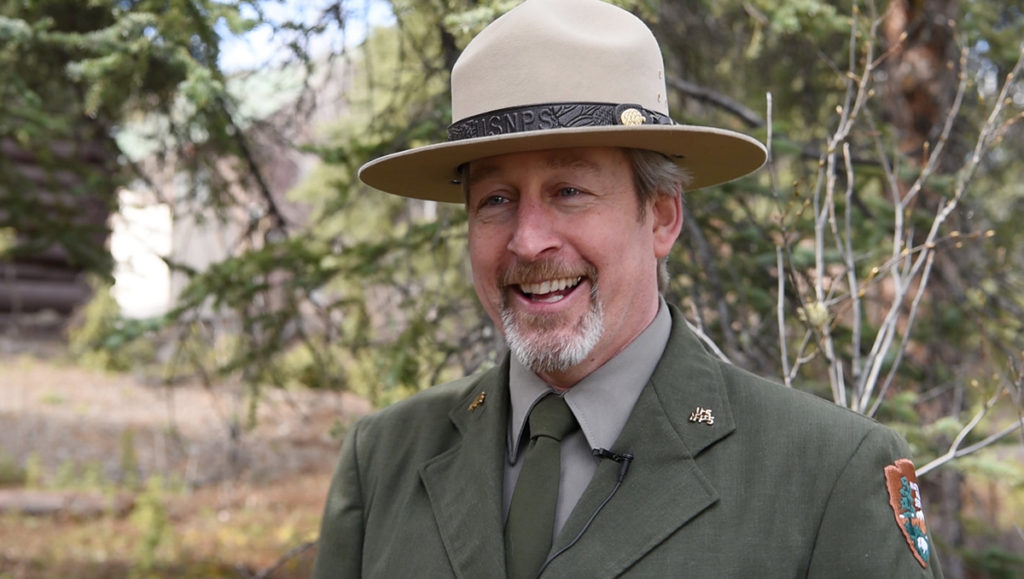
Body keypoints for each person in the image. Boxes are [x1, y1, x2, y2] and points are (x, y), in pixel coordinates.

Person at [312, 0, 943, 577]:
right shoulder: (385, 459)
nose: (529, 241)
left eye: (570, 192)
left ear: (662, 216)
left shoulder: (826, 473)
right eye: (496, 200)